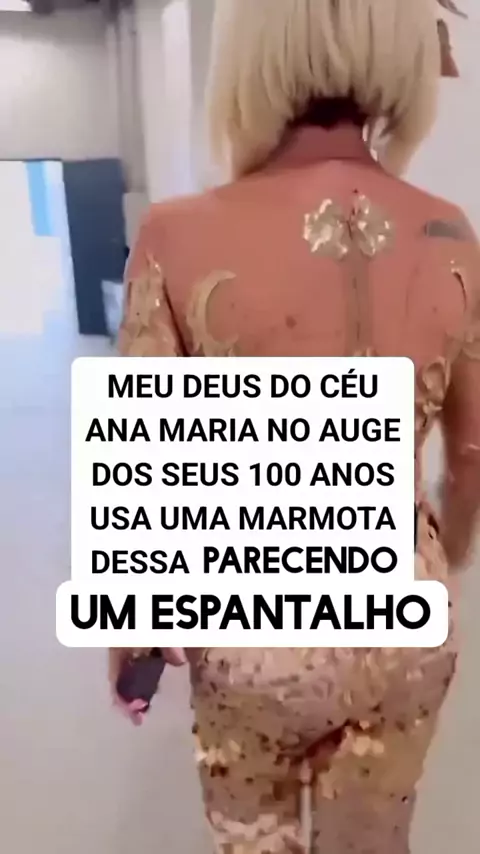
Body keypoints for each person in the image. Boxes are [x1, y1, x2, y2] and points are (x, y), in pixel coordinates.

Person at [109, 1, 480, 851]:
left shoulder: (177, 232)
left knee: (253, 837)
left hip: (259, 618)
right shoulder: (452, 232)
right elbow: (471, 451)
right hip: (405, 611)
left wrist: (135, 633)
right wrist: (445, 552)